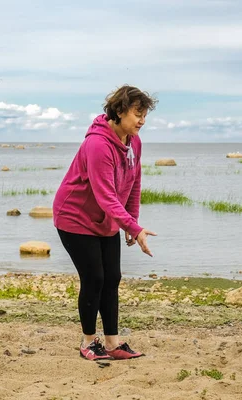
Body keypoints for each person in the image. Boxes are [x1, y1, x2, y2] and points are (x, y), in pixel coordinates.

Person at [53, 85, 158, 361]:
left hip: (105, 221)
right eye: (138, 113)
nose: (142, 120)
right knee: (94, 278)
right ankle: (88, 342)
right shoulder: (98, 144)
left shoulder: (134, 142)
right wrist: (133, 227)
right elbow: (105, 196)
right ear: (120, 110)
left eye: (145, 115)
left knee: (112, 278)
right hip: (74, 218)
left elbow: (133, 183)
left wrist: (130, 223)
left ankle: (112, 343)